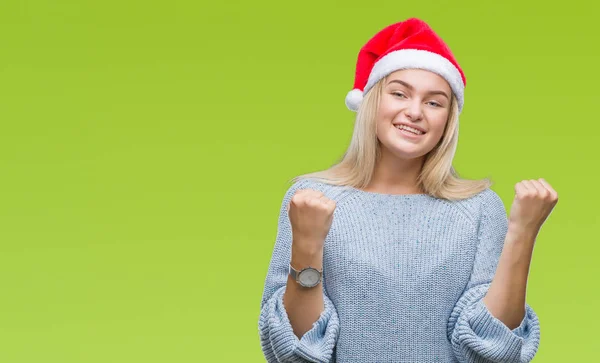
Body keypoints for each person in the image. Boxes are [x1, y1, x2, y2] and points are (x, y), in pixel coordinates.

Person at [258, 18, 558, 362]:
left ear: (448, 118)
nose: (414, 112)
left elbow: (492, 353)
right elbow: (294, 352)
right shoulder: (310, 199)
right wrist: (307, 245)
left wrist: (522, 233)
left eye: (434, 102)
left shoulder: (479, 209)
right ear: (372, 101)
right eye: (399, 93)